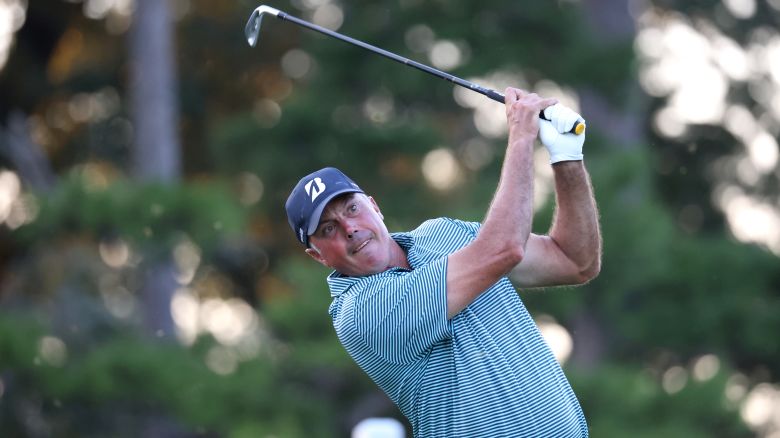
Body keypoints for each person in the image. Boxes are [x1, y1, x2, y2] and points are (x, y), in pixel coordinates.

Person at [285, 88, 601, 437]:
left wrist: (566, 157)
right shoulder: (360, 313)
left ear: (374, 206)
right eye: (328, 228)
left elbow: (575, 260)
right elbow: (503, 249)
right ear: (317, 256)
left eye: (352, 208)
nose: (349, 228)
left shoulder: (444, 233)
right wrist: (521, 138)